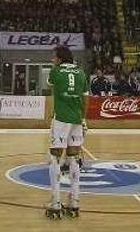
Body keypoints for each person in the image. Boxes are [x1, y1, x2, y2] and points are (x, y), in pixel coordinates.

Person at [45, 45, 88, 220]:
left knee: (54, 157)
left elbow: (51, 87)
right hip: (77, 119)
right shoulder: (81, 72)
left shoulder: (55, 71)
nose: (52, 59)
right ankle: (74, 201)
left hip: (61, 118)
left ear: (60, 58)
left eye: (54, 56)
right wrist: (84, 119)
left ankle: (55, 202)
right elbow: (86, 98)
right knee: (73, 158)